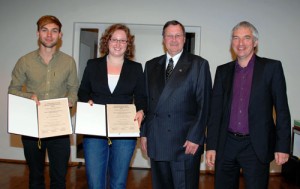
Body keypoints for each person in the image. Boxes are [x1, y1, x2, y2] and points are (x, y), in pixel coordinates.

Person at [205, 21, 291, 189]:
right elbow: (215, 113)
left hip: (256, 146)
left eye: (246, 38)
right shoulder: (222, 71)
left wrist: (282, 147)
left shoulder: (271, 68)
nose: (240, 43)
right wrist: (211, 146)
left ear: (255, 42)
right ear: (231, 43)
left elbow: (282, 110)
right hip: (226, 144)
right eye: (236, 38)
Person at [8, 15, 79, 188]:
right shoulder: (25, 61)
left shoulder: (68, 62)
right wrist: (29, 97)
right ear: (38, 33)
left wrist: (70, 101)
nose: (49, 35)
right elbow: (12, 90)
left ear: (60, 35)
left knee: (59, 178)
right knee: (35, 177)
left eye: (54, 31)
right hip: (32, 127)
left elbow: (73, 89)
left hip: (59, 127)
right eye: (44, 30)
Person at [140, 20, 212, 189]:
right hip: (157, 140)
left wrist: (196, 137)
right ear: (163, 39)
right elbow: (146, 102)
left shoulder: (198, 65)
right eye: (169, 36)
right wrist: (144, 133)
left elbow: (205, 105)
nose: (173, 39)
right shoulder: (151, 65)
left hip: (185, 143)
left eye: (178, 35)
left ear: (184, 38)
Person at [77, 23, 146, 189]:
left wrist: (142, 110)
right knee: (95, 182)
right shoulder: (92, 65)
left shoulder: (136, 68)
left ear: (128, 44)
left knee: (118, 182)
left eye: (123, 41)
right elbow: (83, 91)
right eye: (114, 39)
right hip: (95, 129)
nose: (118, 44)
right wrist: (87, 101)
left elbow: (142, 97)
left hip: (124, 131)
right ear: (107, 41)